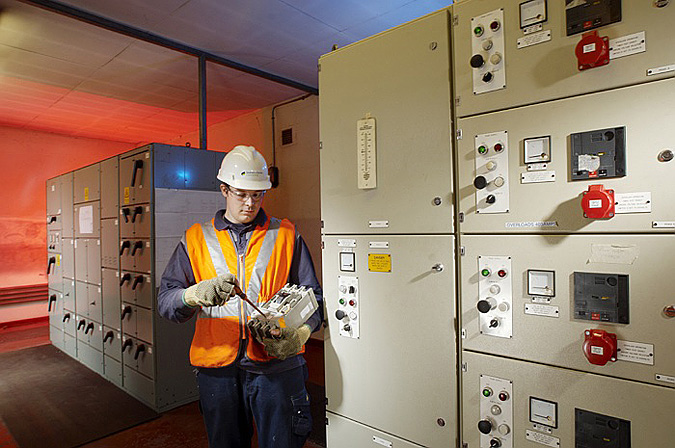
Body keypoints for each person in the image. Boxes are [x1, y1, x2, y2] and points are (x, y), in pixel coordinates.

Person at [158, 145, 323, 448]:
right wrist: (193, 295)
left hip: (277, 367)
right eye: (241, 194)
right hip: (218, 370)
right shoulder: (195, 239)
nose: (249, 203)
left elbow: (314, 299)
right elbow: (166, 302)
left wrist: (299, 334)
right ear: (224, 189)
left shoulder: (286, 235)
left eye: (257, 195)